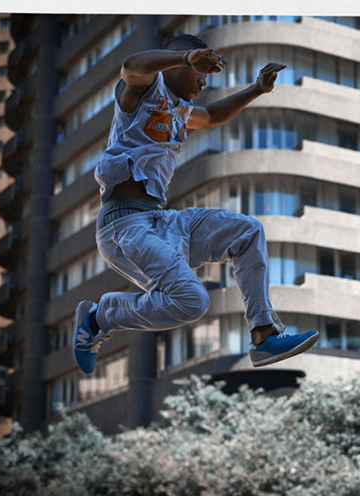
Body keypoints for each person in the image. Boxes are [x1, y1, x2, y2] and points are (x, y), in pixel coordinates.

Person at [73, 34, 318, 375]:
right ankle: (99, 317)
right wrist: (187, 58)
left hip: (160, 221)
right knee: (193, 302)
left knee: (247, 232)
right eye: (200, 74)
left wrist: (256, 89)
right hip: (123, 227)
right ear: (176, 62)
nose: (204, 82)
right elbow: (131, 67)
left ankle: (263, 336)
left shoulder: (180, 111)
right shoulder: (143, 92)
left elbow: (213, 115)